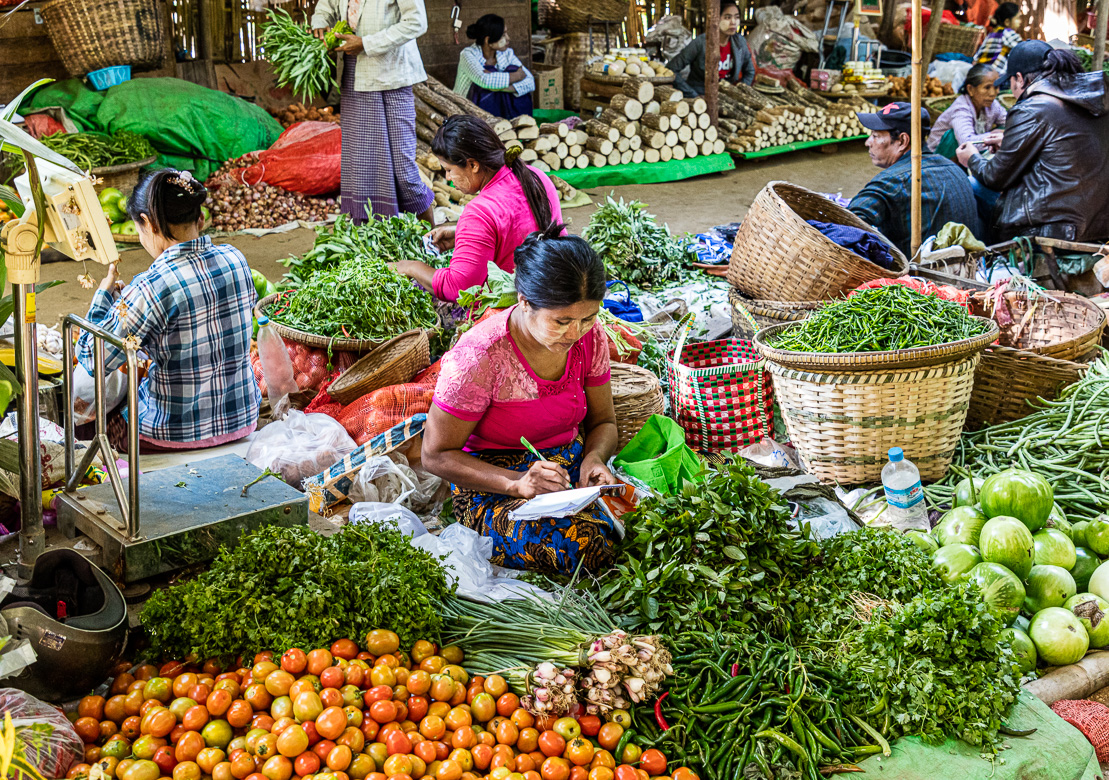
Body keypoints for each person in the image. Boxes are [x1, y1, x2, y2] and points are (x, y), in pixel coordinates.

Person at [422, 224, 619, 575]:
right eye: (561, 321)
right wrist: (516, 483)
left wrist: (593, 459)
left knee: (647, 521)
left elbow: (604, 422)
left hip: (566, 472)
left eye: (588, 318)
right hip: (491, 485)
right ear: (524, 302)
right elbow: (435, 455)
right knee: (577, 545)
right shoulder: (481, 356)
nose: (575, 334)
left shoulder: (591, 339)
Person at [76, 170, 260, 453]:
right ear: (199, 218)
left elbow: (92, 358)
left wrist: (104, 296)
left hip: (173, 434)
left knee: (87, 419)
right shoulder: (236, 259)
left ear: (148, 224)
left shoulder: (151, 286)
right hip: (242, 421)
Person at [392, 115, 561, 302]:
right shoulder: (535, 176)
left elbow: (458, 289)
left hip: (515, 307)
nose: (448, 178)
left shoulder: (480, 211)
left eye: (449, 170)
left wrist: (411, 267)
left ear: (473, 165)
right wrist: (461, 235)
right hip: (551, 287)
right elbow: (520, 231)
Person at [956, 42, 1109, 242]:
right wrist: (1009, 141)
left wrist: (972, 159)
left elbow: (995, 177)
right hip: (1098, 223)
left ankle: (988, 258)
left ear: (1019, 79)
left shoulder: (1031, 108)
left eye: (1010, 84)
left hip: (1054, 228)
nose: (1011, 92)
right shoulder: (1090, 99)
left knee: (969, 185)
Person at [311, 0, 435, 224]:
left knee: (404, 169)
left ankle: (433, 239)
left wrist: (366, 43)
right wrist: (320, 22)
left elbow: (416, 22)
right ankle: (373, 240)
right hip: (355, 76)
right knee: (362, 167)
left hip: (393, 78)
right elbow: (325, 6)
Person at [849, 102, 983, 257]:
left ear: (902, 141)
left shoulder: (891, 181)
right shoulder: (955, 169)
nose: (868, 142)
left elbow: (847, 223)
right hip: (972, 269)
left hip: (919, 276)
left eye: (875, 136)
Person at [452, 14, 534, 119]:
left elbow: (530, 81)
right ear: (488, 40)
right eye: (503, 35)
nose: (508, 38)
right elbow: (485, 80)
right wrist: (518, 76)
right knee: (487, 83)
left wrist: (505, 88)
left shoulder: (506, 54)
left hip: (499, 109)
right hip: (467, 112)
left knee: (510, 72)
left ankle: (516, 123)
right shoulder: (468, 54)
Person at [667, 0, 755, 98]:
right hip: (700, 94)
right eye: (727, 17)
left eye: (737, 17)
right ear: (716, 19)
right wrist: (693, 95)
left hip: (726, 98)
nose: (733, 22)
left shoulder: (740, 42)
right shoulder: (701, 42)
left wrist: (738, 94)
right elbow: (672, 68)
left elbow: (750, 71)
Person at [927, 64, 1007, 155]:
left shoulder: (992, 105)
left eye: (996, 87)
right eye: (987, 87)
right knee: (952, 136)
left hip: (966, 153)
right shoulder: (961, 108)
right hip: (938, 156)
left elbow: (1009, 121)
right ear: (970, 89)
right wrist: (995, 135)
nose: (993, 93)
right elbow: (966, 142)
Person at [974, 3, 1023, 76]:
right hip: (996, 75)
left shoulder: (993, 32)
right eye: (1018, 18)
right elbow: (1023, 50)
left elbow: (977, 56)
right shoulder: (1009, 34)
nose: (1020, 21)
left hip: (979, 71)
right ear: (1007, 22)